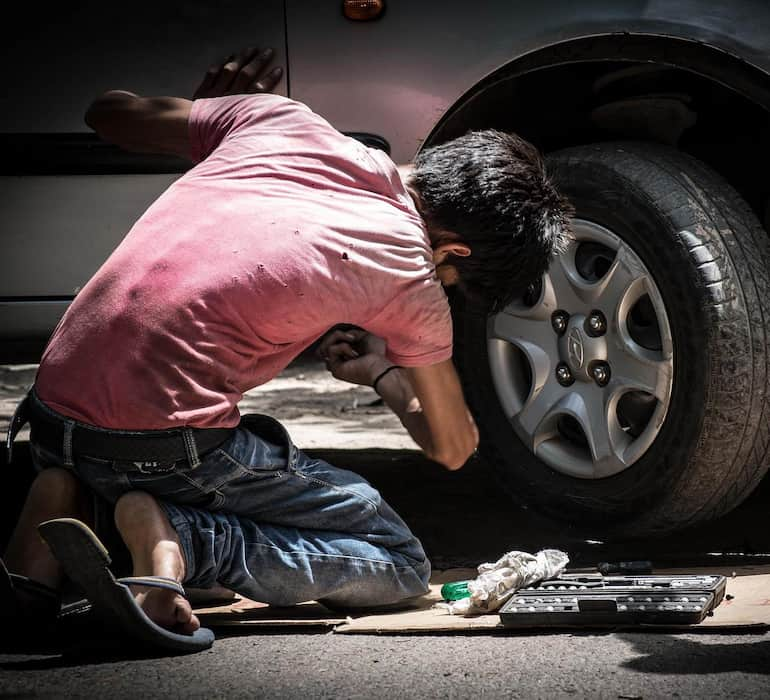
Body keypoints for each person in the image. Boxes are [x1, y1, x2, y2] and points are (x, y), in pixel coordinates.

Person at [3, 47, 572, 636]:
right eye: (452, 278)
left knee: (237, 447)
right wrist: (383, 373)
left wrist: (208, 113)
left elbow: (108, 114)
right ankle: (184, 542)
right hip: (161, 446)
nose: (443, 283)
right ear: (455, 252)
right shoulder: (412, 274)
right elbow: (452, 445)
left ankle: (65, 509)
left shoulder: (278, 119)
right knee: (399, 563)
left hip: (50, 416)